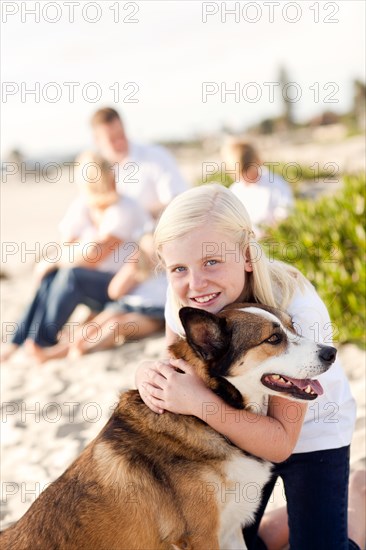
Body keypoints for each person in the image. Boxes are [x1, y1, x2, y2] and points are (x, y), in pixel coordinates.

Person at [135, 184, 363, 549]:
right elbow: (176, 363)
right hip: (233, 427)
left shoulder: (297, 306)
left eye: (211, 261)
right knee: (239, 539)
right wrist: (147, 372)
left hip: (308, 435)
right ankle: (285, 521)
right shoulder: (186, 298)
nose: (197, 284)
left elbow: (279, 443)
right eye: (179, 267)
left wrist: (199, 404)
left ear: (245, 255)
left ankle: (358, 500)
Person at [1, 152, 152, 363]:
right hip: (95, 281)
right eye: (107, 178)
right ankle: (17, 341)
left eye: (112, 175)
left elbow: (94, 256)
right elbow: (66, 243)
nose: (113, 182)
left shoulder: (125, 208)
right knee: (52, 275)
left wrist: (57, 259)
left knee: (71, 275)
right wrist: (55, 262)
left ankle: (41, 341)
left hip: (122, 286)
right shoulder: (84, 206)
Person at [34, 234, 167, 361]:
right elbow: (115, 291)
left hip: (153, 314)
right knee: (92, 327)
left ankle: (85, 349)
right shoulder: (138, 269)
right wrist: (133, 268)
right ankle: (56, 352)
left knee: (114, 325)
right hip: (126, 305)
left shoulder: (170, 271)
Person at [91, 107, 188, 220]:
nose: (119, 142)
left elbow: (176, 202)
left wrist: (135, 218)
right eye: (112, 139)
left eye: (121, 135)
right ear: (96, 140)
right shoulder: (96, 171)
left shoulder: (156, 156)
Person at [226, 142, 293, 237]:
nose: (243, 178)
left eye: (246, 170)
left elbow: (285, 214)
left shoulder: (275, 184)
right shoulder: (235, 190)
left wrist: (270, 233)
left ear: (256, 161)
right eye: (238, 174)